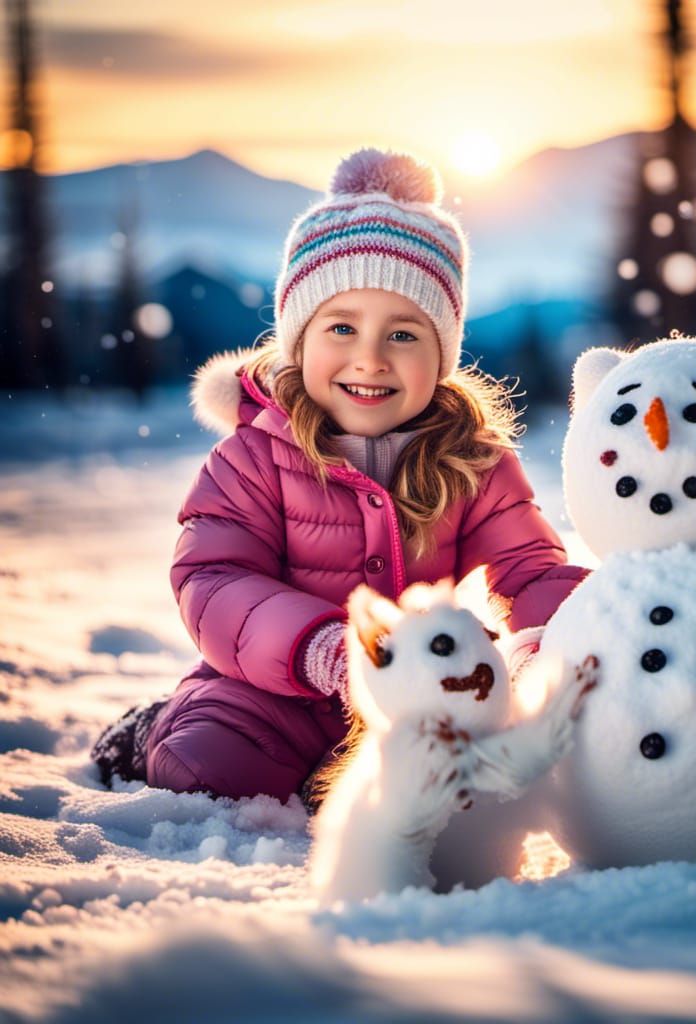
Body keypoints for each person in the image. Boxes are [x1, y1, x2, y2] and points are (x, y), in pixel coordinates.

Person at [90, 147, 587, 806]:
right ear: (299, 341)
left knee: (475, 794)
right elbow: (213, 578)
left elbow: (532, 568)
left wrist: (539, 648)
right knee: (207, 769)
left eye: (404, 335)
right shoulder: (254, 456)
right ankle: (151, 728)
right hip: (271, 685)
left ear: (442, 353)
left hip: (411, 690)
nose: (370, 358)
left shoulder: (473, 459)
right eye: (343, 328)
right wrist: (322, 650)